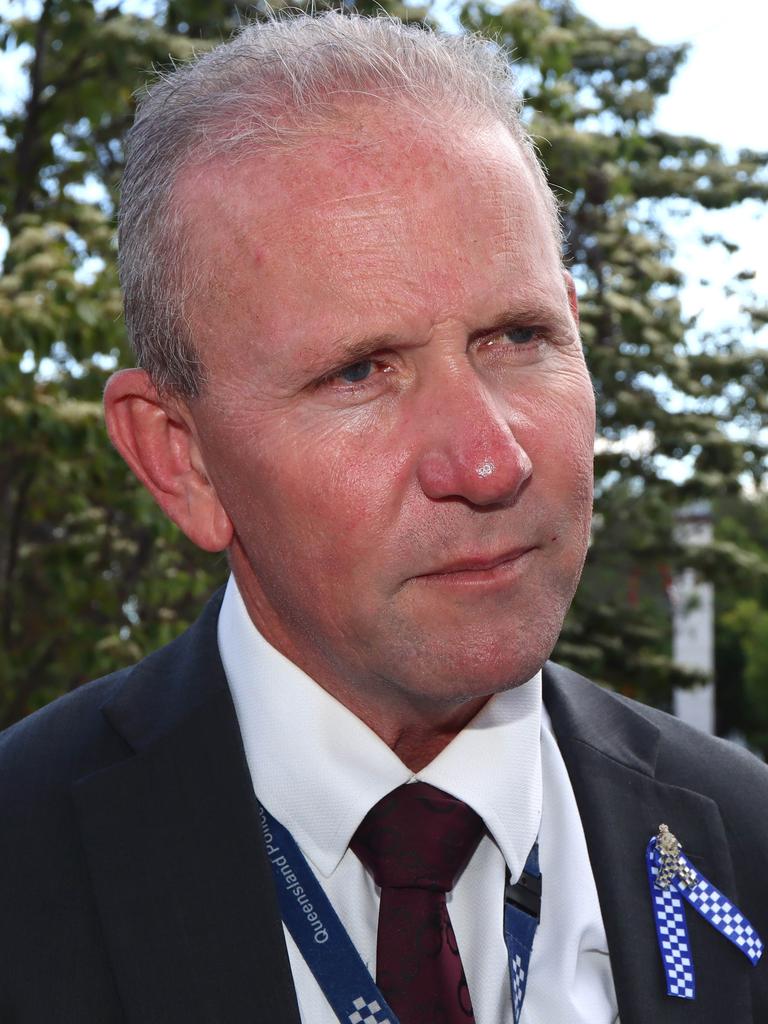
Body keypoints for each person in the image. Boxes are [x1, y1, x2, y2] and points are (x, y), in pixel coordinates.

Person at [1, 12, 766, 1024]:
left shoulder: (746, 841)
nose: (492, 460)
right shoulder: (25, 867)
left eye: (518, 335)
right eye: (360, 370)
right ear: (180, 458)